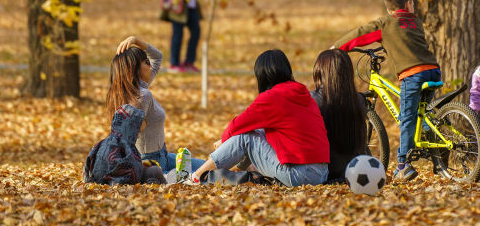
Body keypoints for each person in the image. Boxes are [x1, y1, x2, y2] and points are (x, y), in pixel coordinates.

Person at [332, 0, 441, 182]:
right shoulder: (415, 21)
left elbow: (361, 33)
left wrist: (337, 47)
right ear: (409, 4)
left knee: (407, 117)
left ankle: (402, 165)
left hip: (413, 74)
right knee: (422, 113)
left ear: (389, 8)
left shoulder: (386, 23)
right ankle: (434, 148)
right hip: (433, 71)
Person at [192, 49, 330, 187]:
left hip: (300, 175)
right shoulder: (301, 93)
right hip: (321, 172)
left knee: (245, 137)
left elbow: (237, 125)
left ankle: (195, 177)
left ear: (261, 75)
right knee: (258, 131)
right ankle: (227, 171)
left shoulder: (272, 97)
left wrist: (223, 140)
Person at [110, 36, 206, 173]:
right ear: (135, 68)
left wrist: (136, 40)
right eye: (146, 62)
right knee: (202, 177)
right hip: (150, 162)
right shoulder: (142, 95)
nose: (150, 65)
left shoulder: (135, 88)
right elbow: (129, 136)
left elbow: (158, 56)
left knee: (208, 167)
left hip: (163, 156)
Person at [311, 49, 367, 181]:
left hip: (325, 172)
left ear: (321, 73)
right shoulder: (359, 100)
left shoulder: (312, 100)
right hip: (354, 169)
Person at [82, 104, 166, 185]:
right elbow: (129, 172)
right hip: (119, 183)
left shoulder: (103, 143)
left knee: (154, 169)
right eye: (138, 132)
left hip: (103, 180)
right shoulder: (123, 147)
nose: (138, 136)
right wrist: (142, 168)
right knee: (155, 171)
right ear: (130, 128)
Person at [162, 0, 202, 73]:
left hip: (190, 4)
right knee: (178, 34)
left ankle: (189, 62)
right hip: (177, 5)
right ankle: (174, 63)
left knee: (196, 31)